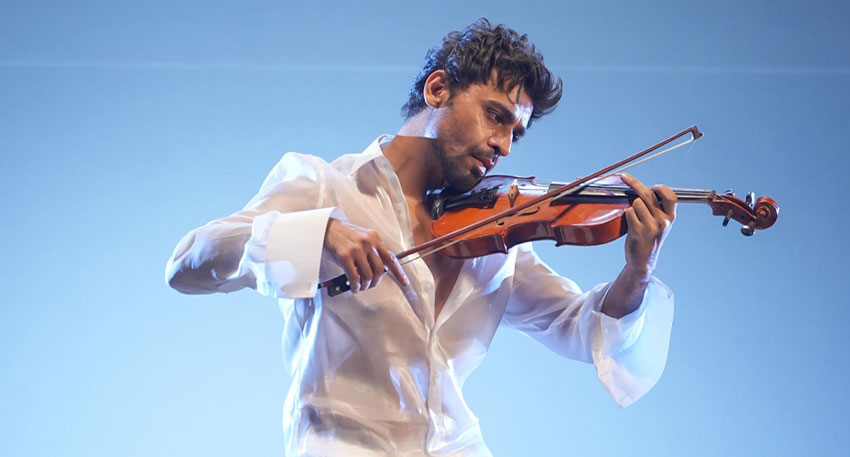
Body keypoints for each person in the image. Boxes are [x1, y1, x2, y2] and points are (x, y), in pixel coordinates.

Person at [165, 18, 677, 457]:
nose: (502, 145)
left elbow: (581, 327)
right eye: (495, 116)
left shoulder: (494, 230)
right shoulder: (324, 184)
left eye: (514, 133)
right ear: (438, 90)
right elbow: (188, 264)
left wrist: (637, 272)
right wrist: (320, 232)